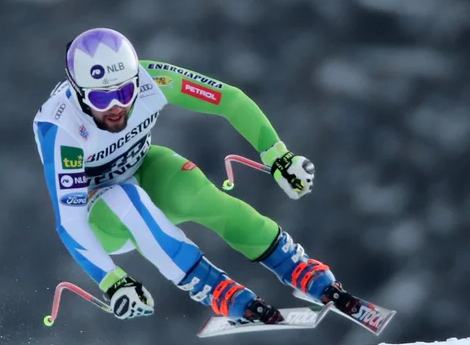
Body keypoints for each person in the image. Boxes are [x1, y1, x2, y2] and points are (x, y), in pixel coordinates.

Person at [31, 27, 361, 326]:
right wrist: (114, 281)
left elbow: (229, 100)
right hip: (99, 215)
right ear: (78, 93)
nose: (117, 106)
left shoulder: (151, 80)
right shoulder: (63, 132)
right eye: (101, 98)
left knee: (199, 195)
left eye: (125, 92)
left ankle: (296, 266)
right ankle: (214, 289)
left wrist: (278, 155)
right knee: (125, 198)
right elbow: (69, 221)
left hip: (141, 167)